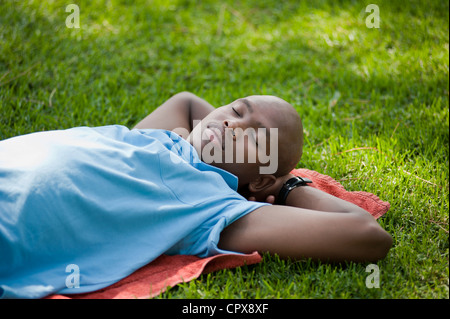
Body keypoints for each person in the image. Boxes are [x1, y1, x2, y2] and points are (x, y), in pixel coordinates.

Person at [0, 92, 392, 298]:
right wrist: (239, 145)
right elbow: (186, 103)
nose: (231, 123)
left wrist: (284, 184)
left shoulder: (212, 206)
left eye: (255, 137)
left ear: (258, 182)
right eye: (237, 109)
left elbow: (368, 236)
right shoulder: (166, 139)